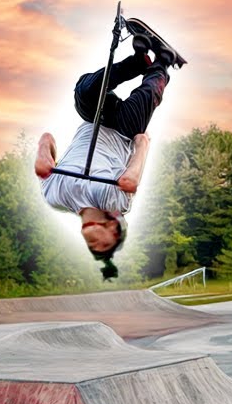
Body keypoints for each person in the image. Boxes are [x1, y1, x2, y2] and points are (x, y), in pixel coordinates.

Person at [35, 18, 186, 279]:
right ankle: (161, 61)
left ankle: (138, 61)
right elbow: (130, 179)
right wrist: (143, 146)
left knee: (84, 90)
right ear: (114, 226)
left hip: (95, 118)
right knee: (148, 94)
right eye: (106, 244)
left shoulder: (55, 197)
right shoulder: (113, 201)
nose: (96, 245)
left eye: (94, 248)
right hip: (125, 131)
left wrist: (42, 155)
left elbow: (47, 137)